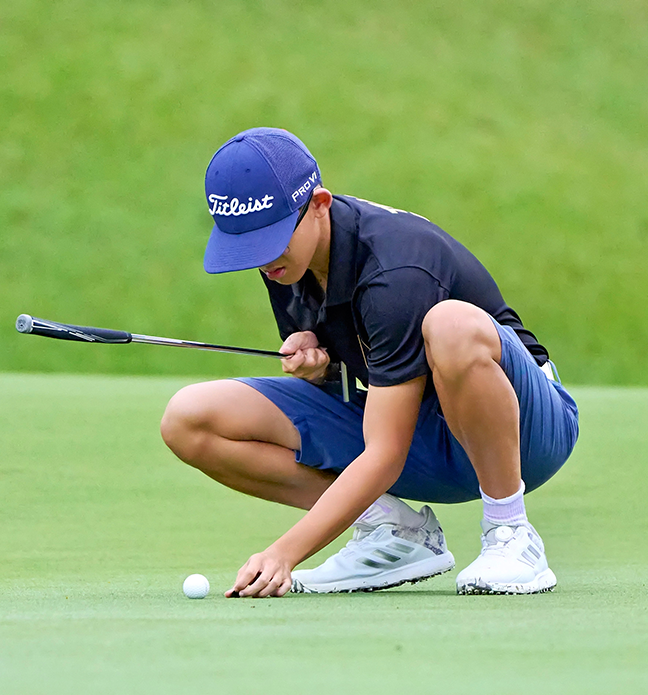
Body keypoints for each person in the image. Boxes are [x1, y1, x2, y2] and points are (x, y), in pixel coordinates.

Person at [159, 128, 579, 598]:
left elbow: (384, 453)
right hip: (420, 434)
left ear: (319, 203)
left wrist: (285, 552)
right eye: (248, 246)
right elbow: (362, 385)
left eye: (272, 239)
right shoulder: (285, 261)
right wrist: (322, 369)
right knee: (189, 419)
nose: (263, 260)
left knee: (451, 325)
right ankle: (393, 533)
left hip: (525, 437)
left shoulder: (394, 270)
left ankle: (511, 532)